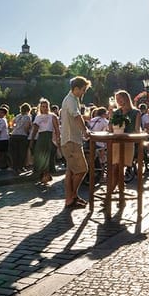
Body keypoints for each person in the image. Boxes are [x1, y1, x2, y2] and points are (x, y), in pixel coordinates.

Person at [59, 76, 92, 210]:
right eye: (83, 90)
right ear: (76, 88)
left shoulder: (72, 99)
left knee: (71, 171)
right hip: (71, 140)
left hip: (70, 140)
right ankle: (71, 197)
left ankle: (71, 199)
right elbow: (76, 116)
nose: (84, 92)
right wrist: (85, 131)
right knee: (82, 169)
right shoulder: (71, 100)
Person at [107, 90, 140, 194]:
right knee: (115, 167)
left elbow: (137, 130)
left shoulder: (136, 112)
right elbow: (111, 130)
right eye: (116, 99)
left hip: (128, 142)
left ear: (126, 98)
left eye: (120, 98)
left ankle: (114, 191)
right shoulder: (116, 112)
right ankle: (117, 190)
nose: (118, 101)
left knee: (120, 167)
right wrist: (110, 117)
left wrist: (127, 134)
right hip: (116, 142)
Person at [29, 99, 59, 186]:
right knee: (39, 156)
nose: (45, 108)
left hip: (49, 137)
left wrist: (58, 139)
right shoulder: (38, 117)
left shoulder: (52, 116)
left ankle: (46, 175)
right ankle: (44, 175)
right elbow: (35, 129)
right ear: (40, 107)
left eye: (46, 106)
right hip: (41, 138)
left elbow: (57, 129)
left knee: (48, 157)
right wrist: (31, 140)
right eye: (43, 106)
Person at [9, 103, 32, 173]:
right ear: (28, 110)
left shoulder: (17, 116)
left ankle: (14, 167)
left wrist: (14, 128)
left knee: (14, 153)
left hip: (14, 135)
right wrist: (28, 132)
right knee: (22, 153)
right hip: (22, 135)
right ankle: (20, 167)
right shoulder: (27, 117)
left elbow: (11, 123)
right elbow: (26, 127)